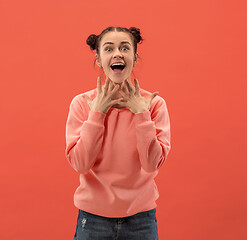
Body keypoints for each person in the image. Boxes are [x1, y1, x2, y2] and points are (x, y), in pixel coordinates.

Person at [65, 26, 171, 240]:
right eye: (109, 48)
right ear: (98, 59)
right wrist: (97, 113)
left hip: (141, 219)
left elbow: (151, 164)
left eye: (124, 48)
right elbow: (80, 164)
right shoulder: (83, 104)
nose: (117, 54)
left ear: (134, 56)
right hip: (93, 219)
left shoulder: (153, 104)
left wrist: (141, 114)